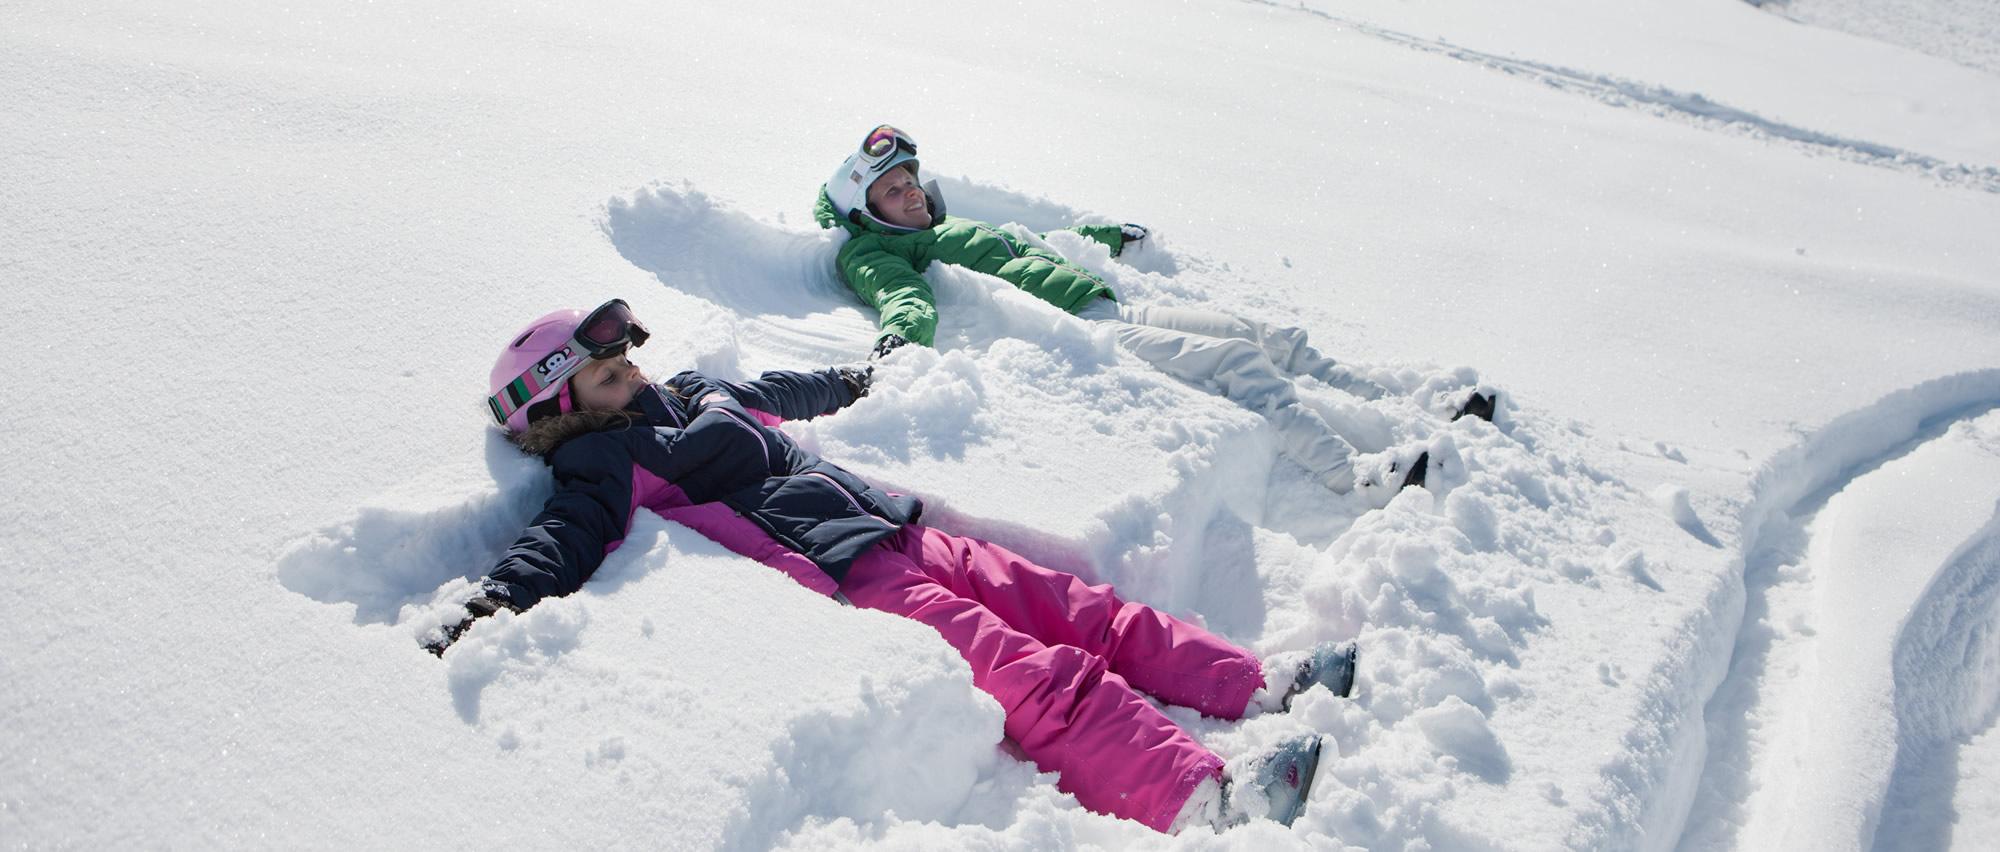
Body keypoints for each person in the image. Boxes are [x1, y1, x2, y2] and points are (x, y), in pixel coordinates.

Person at [436, 299, 1363, 833]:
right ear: (563, 408)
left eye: (626, 362)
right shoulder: (605, 463)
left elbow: (775, 392)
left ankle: (1252, 685)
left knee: (1079, 607)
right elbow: (564, 535)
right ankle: (1201, 797)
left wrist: (858, 377)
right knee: (1030, 673)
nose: (632, 378)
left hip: (895, 525)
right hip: (852, 571)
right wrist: (492, 602)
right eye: (606, 378)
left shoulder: (686, 392)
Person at [815, 125, 1497, 497]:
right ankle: (1354, 476)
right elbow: (901, 298)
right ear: (863, 209)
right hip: (1089, 332)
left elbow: (1036, 241)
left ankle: (1418, 405)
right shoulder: (875, 253)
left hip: (1113, 300)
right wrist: (900, 343)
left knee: (1267, 335)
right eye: (892, 189)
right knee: (1237, 361)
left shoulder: (937, 223)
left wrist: (1105, 241)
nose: (909, 193)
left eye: (910, 181)